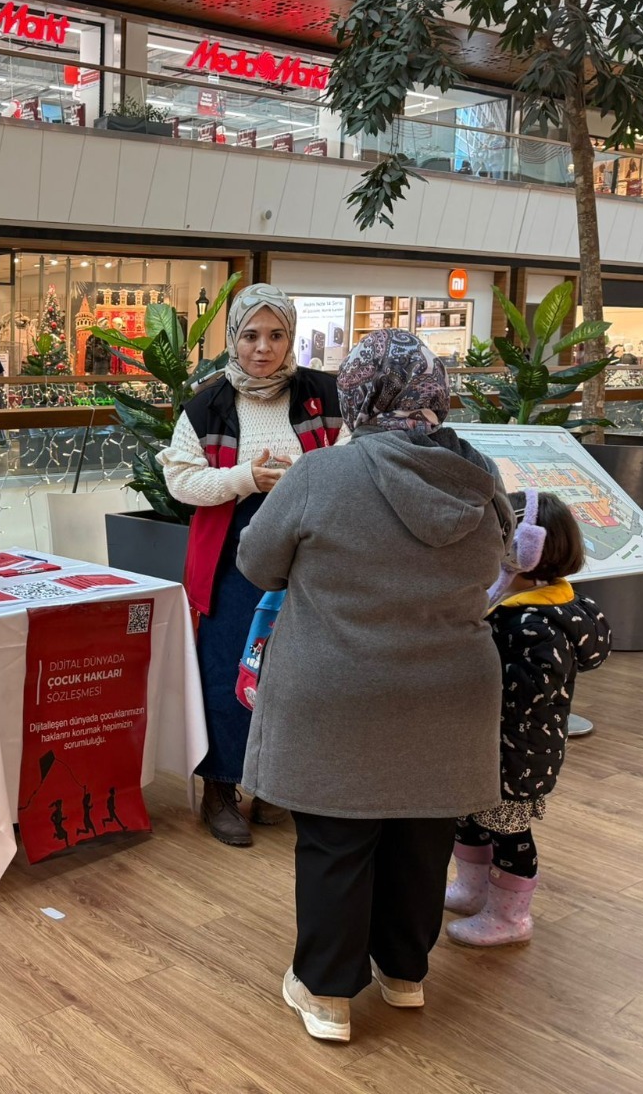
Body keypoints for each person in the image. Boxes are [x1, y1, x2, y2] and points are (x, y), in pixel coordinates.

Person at [236, 329, 514, 1044]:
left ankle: (326, 992)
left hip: (340, 686)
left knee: (337, 837)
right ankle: (404, 972)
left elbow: (258, 563)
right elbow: (500, 563)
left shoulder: (320, 475)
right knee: (423, 834)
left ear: (357, 393)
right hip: (451, 690)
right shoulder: (479, 477)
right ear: (433, 390)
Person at [156, 284, 343, 846]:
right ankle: (220, 788)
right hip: (230, 556)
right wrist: (247, 479)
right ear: (233, 338)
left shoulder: (325, 395)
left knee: (298, 668)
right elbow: (182, 481)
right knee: (227, 667)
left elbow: (353, 461)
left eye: (276, 335)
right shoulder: (206, 405)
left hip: (310, 553)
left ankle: (277, 783)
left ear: (291, 338)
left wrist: (302, 480)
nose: (263, 348)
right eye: (250, 335)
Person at [446, 491, 610, 947]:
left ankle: (510, 916)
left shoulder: (534, 623)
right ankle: (472, 889)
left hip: (516, 754)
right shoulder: (516, 605)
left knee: (510, 833)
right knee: (470, 819)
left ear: (525, 549)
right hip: (490, 746)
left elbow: (523, 694)